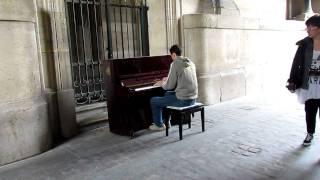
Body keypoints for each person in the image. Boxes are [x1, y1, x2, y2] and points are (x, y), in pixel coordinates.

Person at [287, 14, 320, 146]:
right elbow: (296, 63)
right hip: (310, 84)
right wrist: (292, 80)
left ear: (318, 28)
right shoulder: (305, 44)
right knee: (310, 111)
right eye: (307, 27)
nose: (308, 29)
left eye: (310, 27)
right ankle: (310, 133)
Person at [149, 44, 198, 130]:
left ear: (174, 54)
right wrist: (168, 79)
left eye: (171, 56)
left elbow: (169, 86)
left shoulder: (175, 63)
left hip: (183, 101)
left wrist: (161, 83)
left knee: (153, 100)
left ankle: (159, 125)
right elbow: (183, 77)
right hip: (193, 98)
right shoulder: (189, 62)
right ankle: (167, 121)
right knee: (167, 94)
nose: (171, 58)